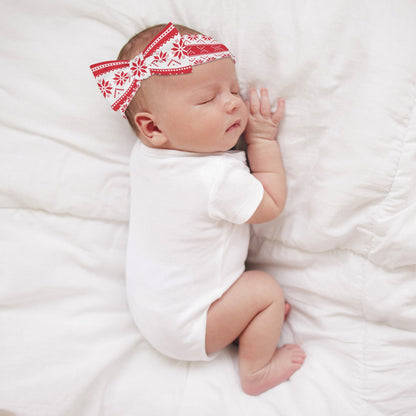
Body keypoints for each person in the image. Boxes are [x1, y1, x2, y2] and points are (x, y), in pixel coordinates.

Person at [90, 22, 305, 396]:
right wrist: (261, 139)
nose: (234, 102)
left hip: (157, 314)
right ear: (153, 127)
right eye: (208, 99)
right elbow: (270, 204)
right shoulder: (216, 177)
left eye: (234, 89)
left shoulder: (146, 156)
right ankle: (255, 371)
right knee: (266, 290)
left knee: (251, 295)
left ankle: (244, 324)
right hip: (192, 326)